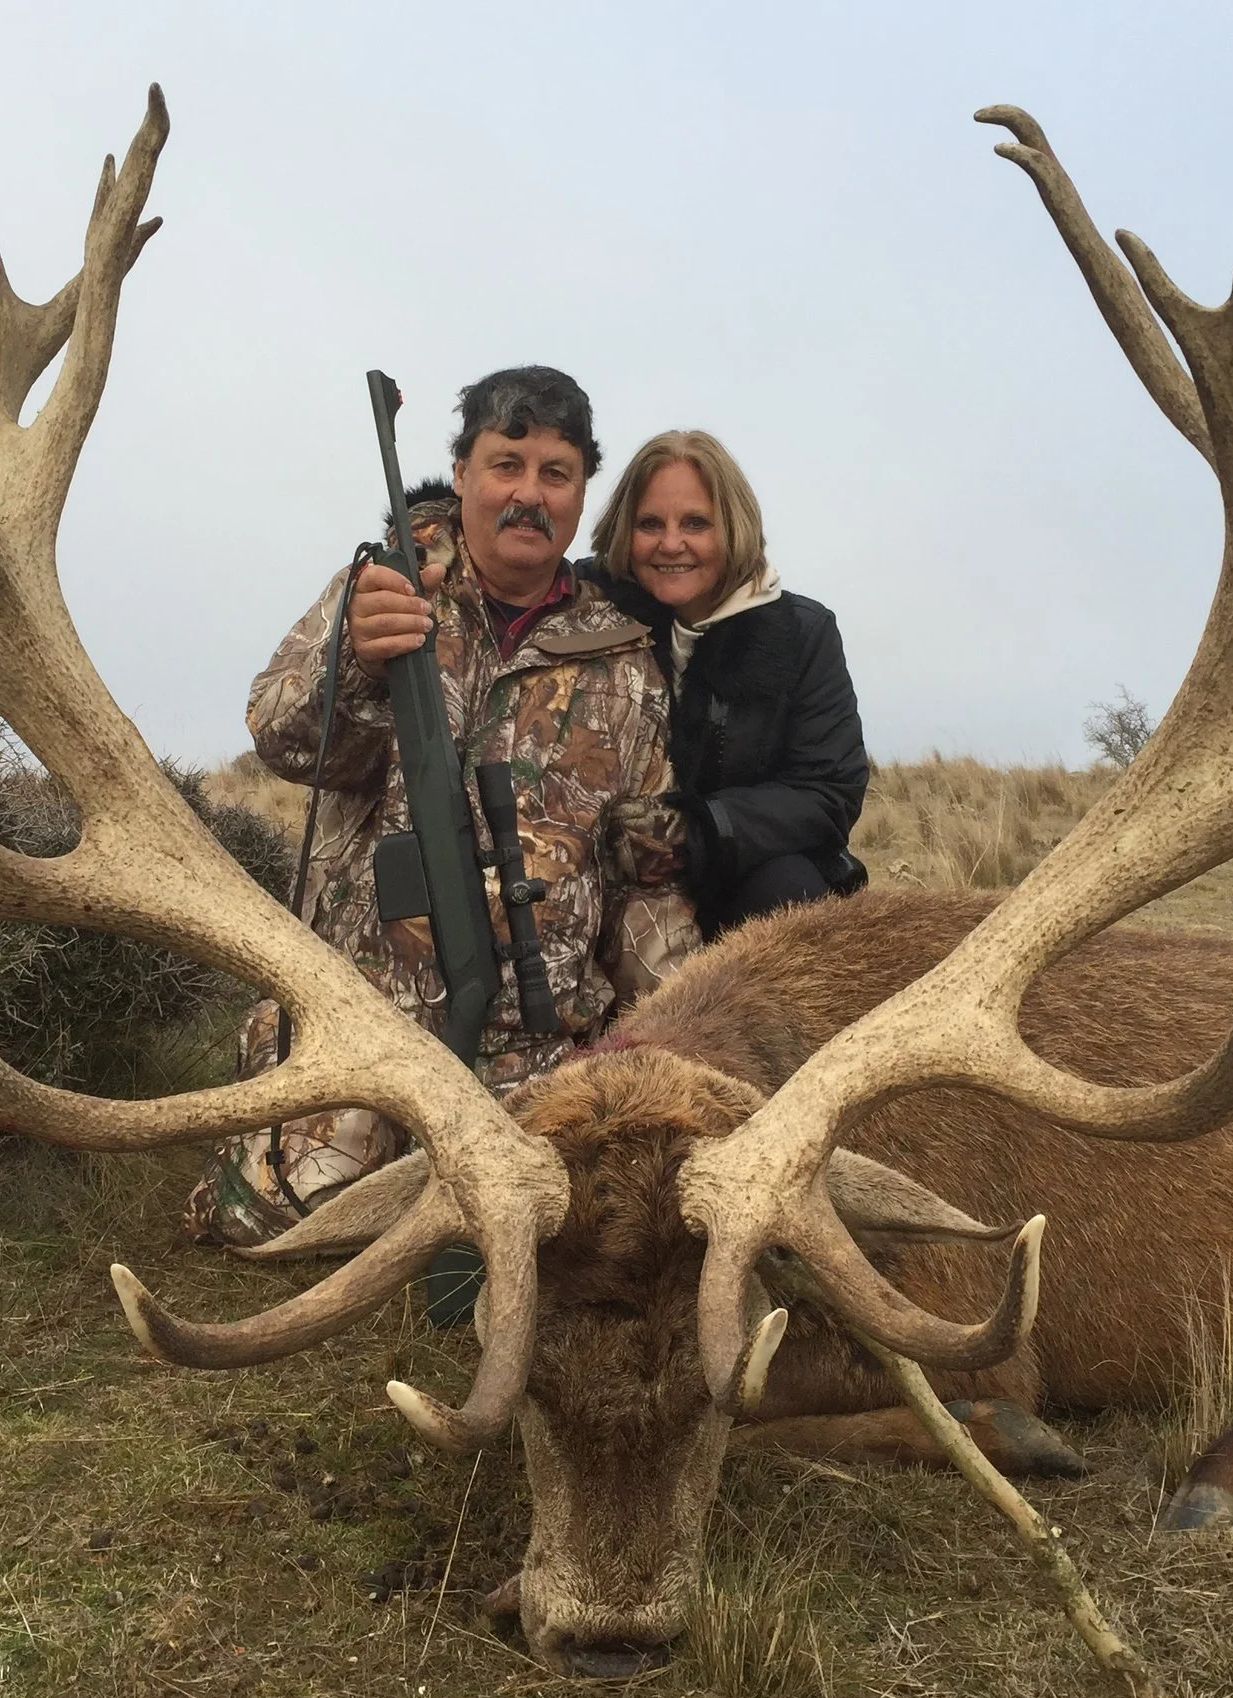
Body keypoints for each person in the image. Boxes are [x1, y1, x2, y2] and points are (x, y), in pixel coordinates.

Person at [188, 367, 696, 1245]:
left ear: (581, 495)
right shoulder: (383, 588)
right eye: (507, 464)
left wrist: (678, 1028)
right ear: (461, 472)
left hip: (542, 1052)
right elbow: (277, 736)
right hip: (364, 1024)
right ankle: (304, 1092)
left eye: (556, 472)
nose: (527, 494)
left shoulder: (627, 662)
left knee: (611, 1235)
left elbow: (643, 885)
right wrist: (354, 660)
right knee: (270, 1220)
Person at [586, 430, 868, 942]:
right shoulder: (585, 612)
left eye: (695, 523)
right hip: (605, 879)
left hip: (736, 883)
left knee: (790, 890)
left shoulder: (804, 633)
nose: (671, 544)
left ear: (732, 527)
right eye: (650, 524)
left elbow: (828, 792)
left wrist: (697, 831)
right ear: (623, 531)